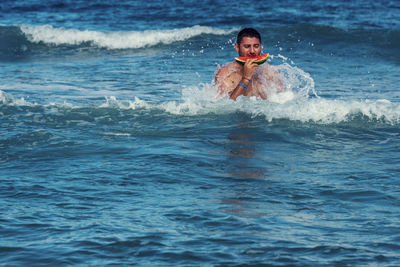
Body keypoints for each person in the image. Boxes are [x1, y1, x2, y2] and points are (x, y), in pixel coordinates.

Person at [214, 28, 284, 100]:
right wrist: (245, 78)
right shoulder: (225, 73)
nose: (252, 51)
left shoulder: (269, 72)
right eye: (247, 46)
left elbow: (283, 98)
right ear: (237, 47)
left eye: (256, 46)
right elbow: (226, 104)